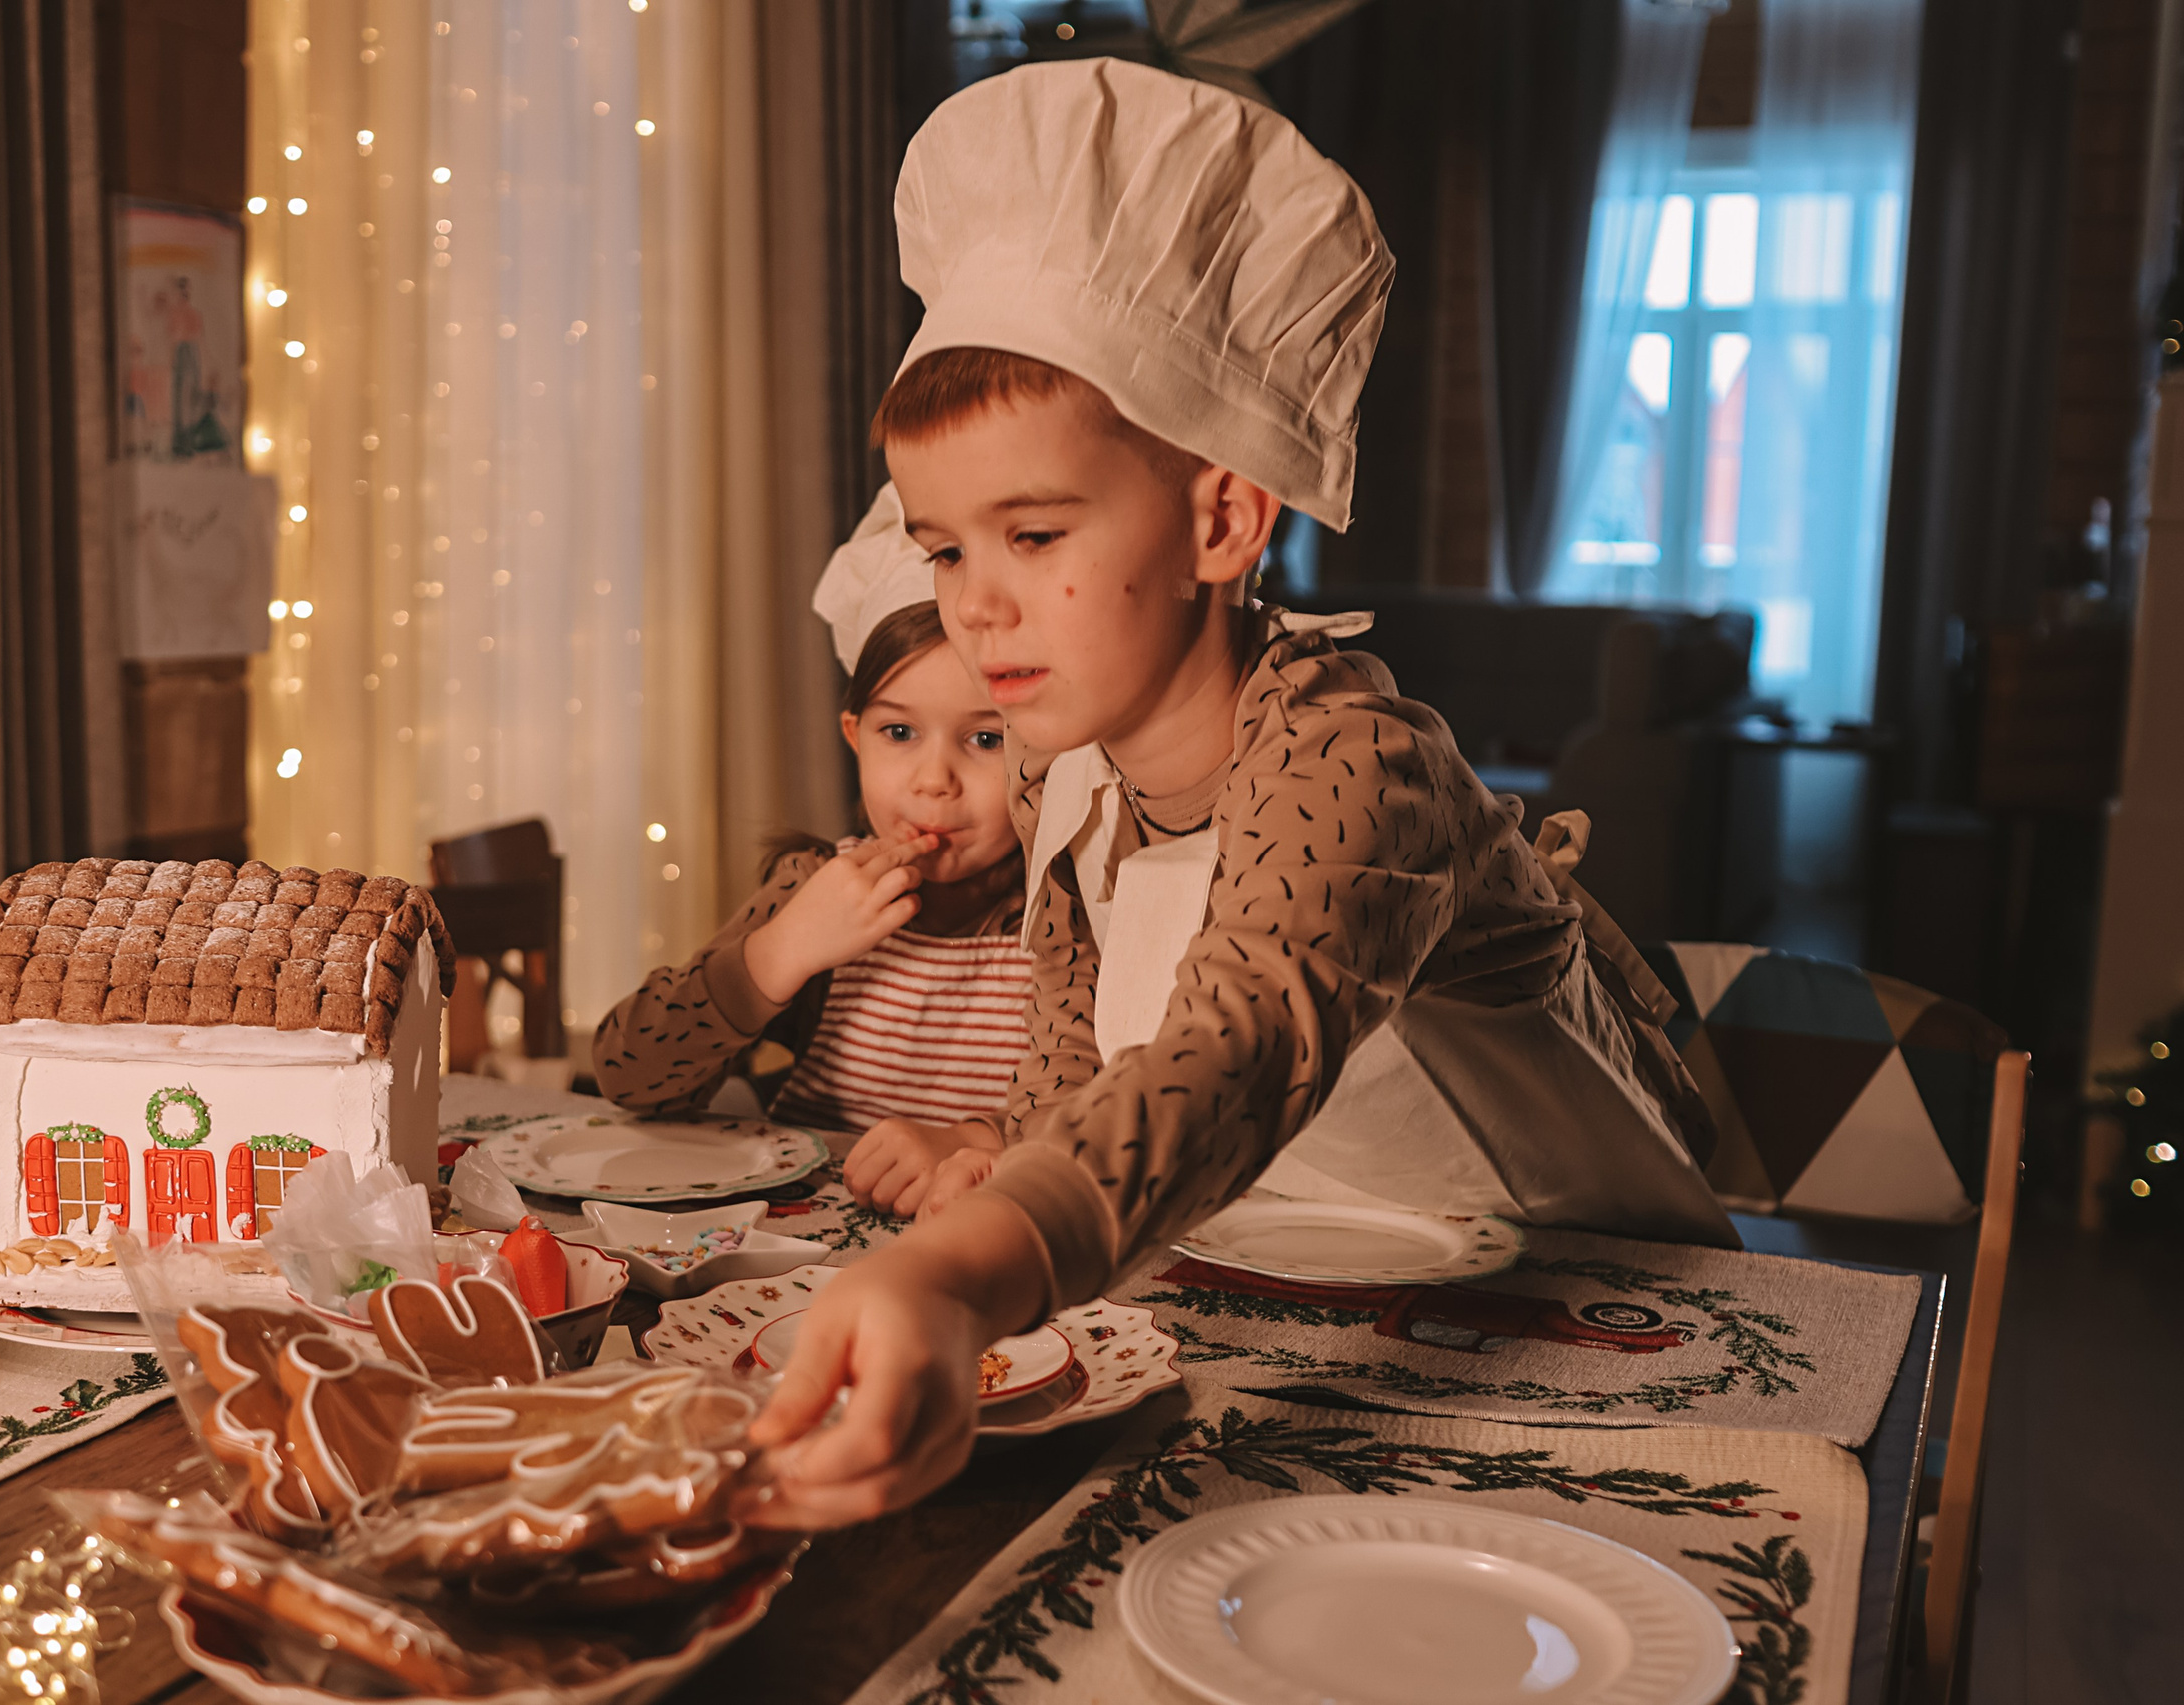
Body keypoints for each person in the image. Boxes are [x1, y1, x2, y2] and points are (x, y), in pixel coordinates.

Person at [748, 58, 1736, 1528]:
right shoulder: (1066, 765)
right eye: (947, 548)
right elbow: (1068, 1065)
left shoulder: (1360, 760)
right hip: (1294, 1294)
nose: (978, 610)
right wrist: (996, 1172)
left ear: (1221, 515)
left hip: (1586, 1314)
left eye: (1033, 531)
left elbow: (1240, 1038)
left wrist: (963, 1268)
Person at [592, 491, 1029, 1212]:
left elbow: (1127, 1118)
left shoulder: (1067, 908)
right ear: (854, 735)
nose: (932, 780)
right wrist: (778, 954)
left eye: (985, 739)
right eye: (899, 733)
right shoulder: (813, 887)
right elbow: (626, 1076)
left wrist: (976, 1141)